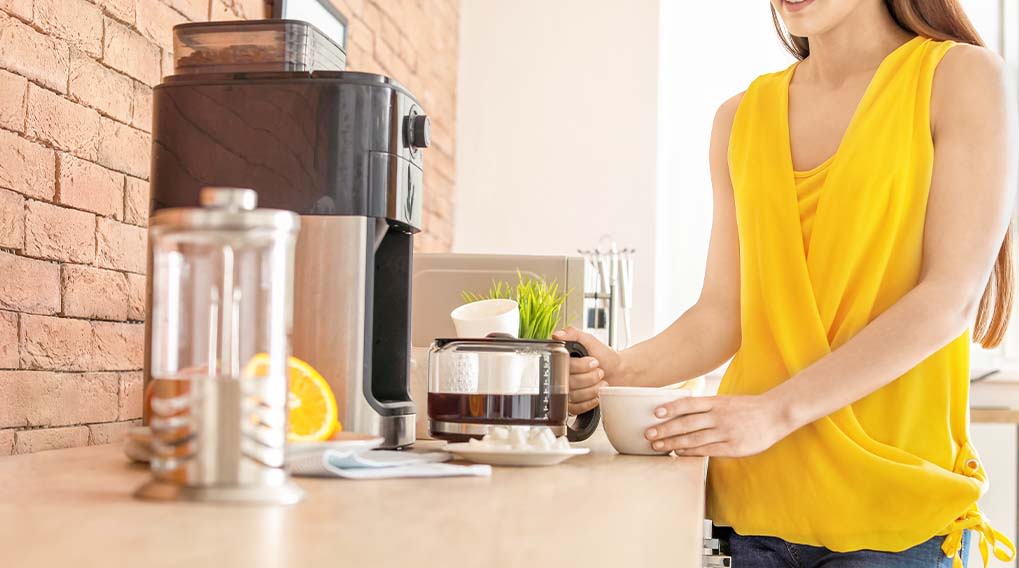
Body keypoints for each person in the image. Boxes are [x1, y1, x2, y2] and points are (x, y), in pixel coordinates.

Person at [555, 0, 1018, 566]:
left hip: (896, 517)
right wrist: (619, 372)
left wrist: (773, 412)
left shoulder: (958, 77)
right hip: (746, 511)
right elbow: (722, 314)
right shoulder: (740, 116)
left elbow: (950, 299)